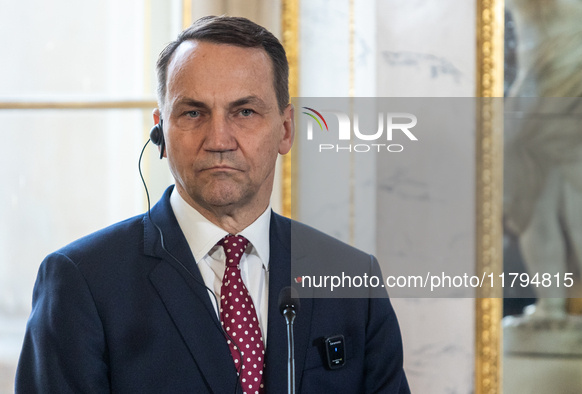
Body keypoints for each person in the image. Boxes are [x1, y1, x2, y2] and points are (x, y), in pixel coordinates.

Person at [16, 15, 410, 393]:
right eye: (193, 112)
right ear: (161, 132)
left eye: (244, 112)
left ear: (285, 130)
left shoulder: (354, 279)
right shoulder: (81, 282)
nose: (219, 139)